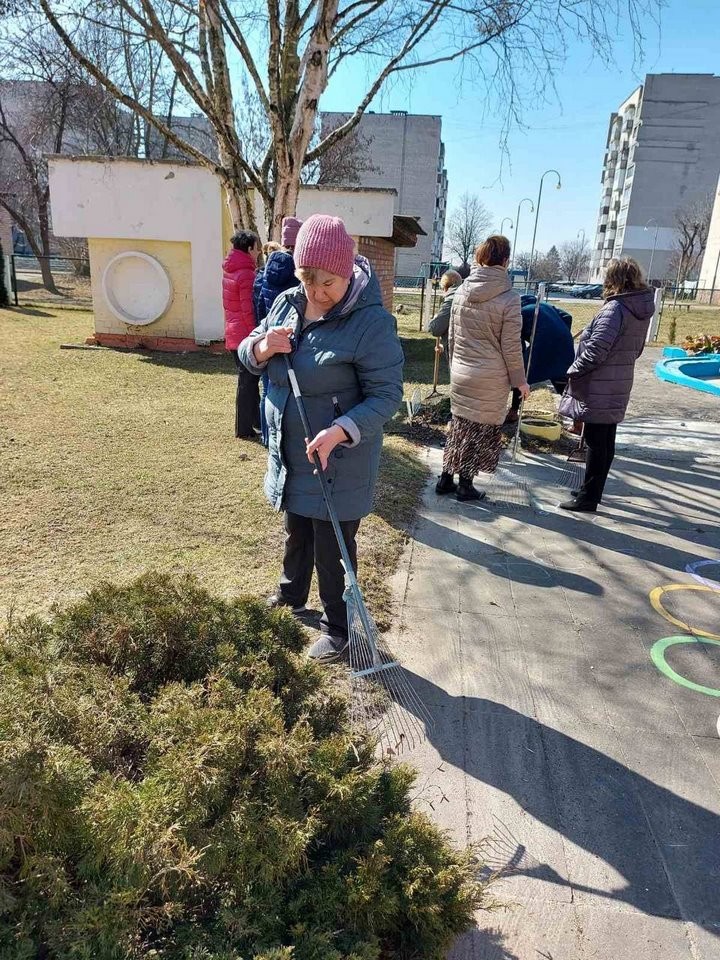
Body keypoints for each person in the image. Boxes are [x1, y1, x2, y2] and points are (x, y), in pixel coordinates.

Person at [238, 214, 403, 663]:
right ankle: (291, 594)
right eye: (307, 279)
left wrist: (341, 430)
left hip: (339, 461)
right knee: (297, 529)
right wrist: (263, 347)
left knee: (332, 547)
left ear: (347, 273)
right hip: (292, 453)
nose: (316, 292)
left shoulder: (371, 323)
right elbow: (248, 352)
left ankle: (339, 628)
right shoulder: (286, 303)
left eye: (327, 282)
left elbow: (386, 396)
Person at [436, 235, 530, 502]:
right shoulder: (510, 298)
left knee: (459, 426)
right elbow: (511, 345)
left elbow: (452, 335)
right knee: (478, 431)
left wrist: (455, 366)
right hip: (490, 378)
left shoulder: (461, 291)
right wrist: (520, 382)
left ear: (480, 257)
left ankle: (445, 478)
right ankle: (465, 485)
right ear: (505, 260)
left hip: (461, 371)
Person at [558, 257, 655, 513]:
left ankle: (588, 498)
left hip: (600, 383)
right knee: (605, 440)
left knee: (596, 441)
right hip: (618, 381)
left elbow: (596, 351)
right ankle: (592, 491)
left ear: (613, 279)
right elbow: (637, 349)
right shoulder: (638, 309)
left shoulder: (615, 309)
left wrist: (573, 371)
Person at [256, 218, 303, 446]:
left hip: (268, 338)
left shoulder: (266, 271)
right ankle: (284, 439)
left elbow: (259, 304)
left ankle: (267, 436)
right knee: (290, 392)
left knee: (268, 389)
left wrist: (262, 331)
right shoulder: (298, 274)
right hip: (290, 340)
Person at [505, 295, 575, 423]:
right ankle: (577, 421)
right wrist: (560, 336)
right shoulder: (545, 306)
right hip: (565, 344)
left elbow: (517, 344)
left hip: (542, 344)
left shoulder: (519, 313)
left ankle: (513, 411)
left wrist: (519, 360)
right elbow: (567, 317)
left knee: (521, 376)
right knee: (561, 380)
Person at [222, 230, 261, 438]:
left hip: (233, 332)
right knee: (247, 382)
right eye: (256, 249)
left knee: (250, 380)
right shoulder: (246, 273)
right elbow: (248, 310)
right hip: (244, 335)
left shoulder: (230, 270)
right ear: (249, 248)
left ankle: (255, 420)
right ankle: (244, 428)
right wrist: (256, 334)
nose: (258, 253)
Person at [428, 269, 463, 360]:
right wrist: (444, 346)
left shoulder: (452, 300)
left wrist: (435, 319)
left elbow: (435, 329)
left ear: (446, 287)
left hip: (458, 354)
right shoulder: (466, 297)